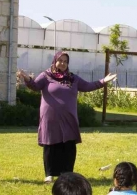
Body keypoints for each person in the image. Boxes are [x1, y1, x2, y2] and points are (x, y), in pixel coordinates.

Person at [17, 52, 117, 183]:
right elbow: (35, 86)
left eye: (65, 61)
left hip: (69, 118)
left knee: (68, 146)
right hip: (50, 118)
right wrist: (27, 78)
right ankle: (49, 174)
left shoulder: (73, 78)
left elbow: (87, 86)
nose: (63, 63)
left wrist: (104, 81)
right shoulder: (46, 76)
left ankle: (67, 174)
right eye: (60, 60)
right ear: (55, 61)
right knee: (51, 145)